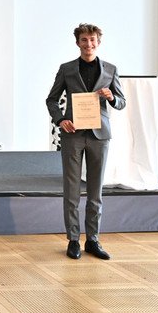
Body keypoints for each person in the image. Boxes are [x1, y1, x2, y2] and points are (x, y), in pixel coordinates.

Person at [46, 23, 125, 260]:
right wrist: (60, 120)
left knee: (95, 191)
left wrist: (112, 97)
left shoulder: (110, 69)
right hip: (73, 134)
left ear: (98, 42)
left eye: (92, 40)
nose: (88, 44)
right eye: (84, 40)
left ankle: (93, 240)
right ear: (77, 42)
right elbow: (51, 99)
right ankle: (73, 239)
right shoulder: (67, 69)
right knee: (71, 190)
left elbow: (122, 102)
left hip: (100, 136)